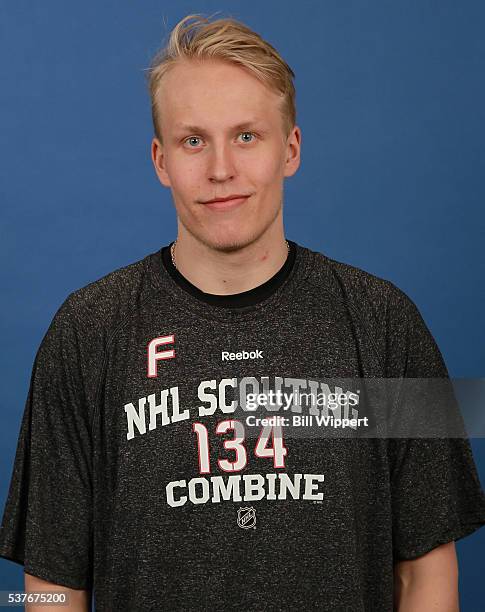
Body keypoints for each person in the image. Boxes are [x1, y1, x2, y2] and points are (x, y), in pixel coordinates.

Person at [1, 12, 485, 612]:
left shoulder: (386, 323)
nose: (221, 169)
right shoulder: (86, 332)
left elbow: (427, 573)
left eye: (247, 136)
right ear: (160, 160)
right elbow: (50, 587)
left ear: (292, 149)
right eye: (194, 140)